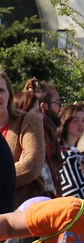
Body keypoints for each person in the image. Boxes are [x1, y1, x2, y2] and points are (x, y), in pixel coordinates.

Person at [0, 70, 45, 209]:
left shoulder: (28, 120)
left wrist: (6, 174)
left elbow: (31, 166)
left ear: (9, 95)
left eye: (1, 90)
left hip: (22, 210)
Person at [20, 78, 61, 197]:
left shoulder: (49, 130)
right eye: (57, 103)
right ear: (43, 106)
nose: (60, 107)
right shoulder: (37, 130)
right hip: (34, 200)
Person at [57, 101, 84, 202]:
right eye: (75, 120)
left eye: (83, 120)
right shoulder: (62, 153)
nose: (81, 124)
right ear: (65, 122)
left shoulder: (76, 153)